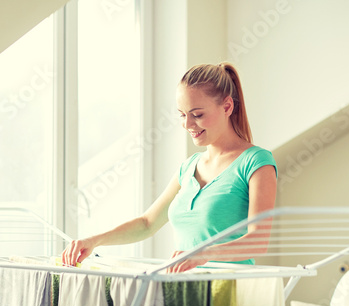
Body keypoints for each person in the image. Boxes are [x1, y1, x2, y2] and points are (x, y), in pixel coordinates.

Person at [62, 62, 277, 273]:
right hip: (183, 290)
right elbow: (147, 223)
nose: (187, 125)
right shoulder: (189, 167)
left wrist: (201, 254)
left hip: (231, 293)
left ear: (227, 107)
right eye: (182, 115)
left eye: (197, 115)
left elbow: (257, 241)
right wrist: (94, 241)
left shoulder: (256, 162)